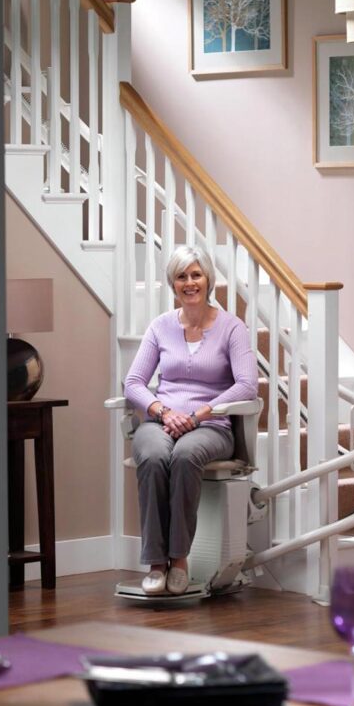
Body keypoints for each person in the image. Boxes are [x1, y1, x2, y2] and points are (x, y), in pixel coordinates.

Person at [124, 245, 258, 595]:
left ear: (208, 279)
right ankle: (156, 562)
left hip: (212, 426)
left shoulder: (233, 328)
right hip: (161, 421)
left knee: (185, 456)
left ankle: (179, 558)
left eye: (195, 274)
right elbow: (133, 383)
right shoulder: (160, 327)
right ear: (173, 283)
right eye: (181, 276)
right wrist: (163, 412)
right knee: (153, 457)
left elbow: (247, 385)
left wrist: (201, 413)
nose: (189, 282)